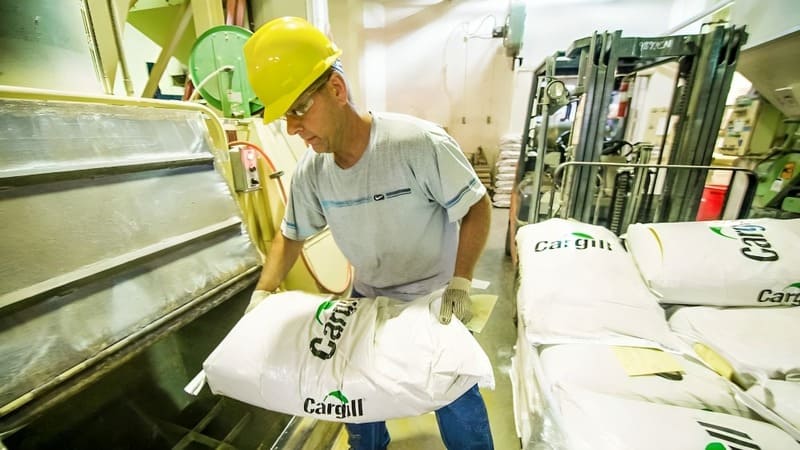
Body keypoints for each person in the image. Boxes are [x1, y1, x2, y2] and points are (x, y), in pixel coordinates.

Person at [243, 16, 493, 450]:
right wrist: (262, 294)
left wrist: (461, 281)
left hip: (433, 297)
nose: (293, 128)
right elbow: (292, 234)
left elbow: (476, 207)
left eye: (299, 109)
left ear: (336, 90)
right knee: (356, 399)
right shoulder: (312, 172)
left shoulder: (416, 145)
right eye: (286, 118)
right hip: (368, 298)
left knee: (455, 395)